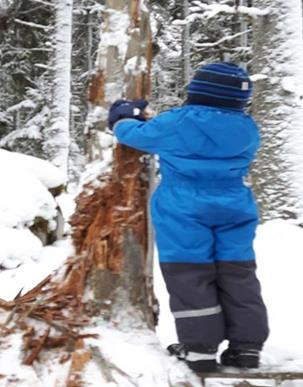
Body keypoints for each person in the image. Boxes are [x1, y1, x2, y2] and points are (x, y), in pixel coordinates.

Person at [108, 62, 269, 373]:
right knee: (238, 273)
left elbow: (135, 135)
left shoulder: (178, 122)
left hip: (183, 206)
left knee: (191, 274)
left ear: (196, 92)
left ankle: (200, 348)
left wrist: (122, 118)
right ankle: (246, 347)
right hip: (234, 203)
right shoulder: (247, 128)